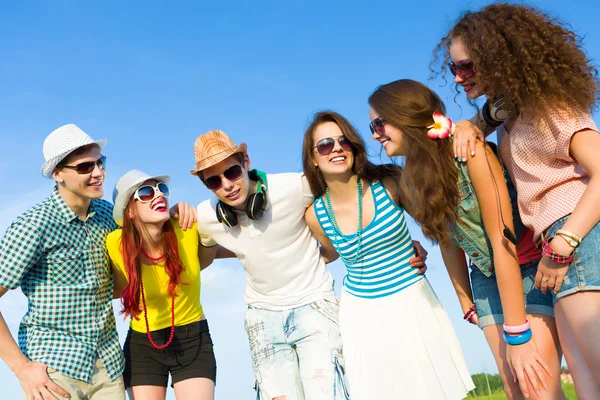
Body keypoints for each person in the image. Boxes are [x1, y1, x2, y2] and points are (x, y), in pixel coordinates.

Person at [433, 4, 600, 397]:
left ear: (499, 58)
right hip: (558, 245)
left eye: (468, 67)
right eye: (455, 68)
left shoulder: (550, 108)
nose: (458, 78)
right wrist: (473, 125)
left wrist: (564, 243)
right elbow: (497, 111)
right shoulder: (514, 114)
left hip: (575, 237)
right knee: (587, 382)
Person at [190, 129, 427, 399]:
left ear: (246, 162)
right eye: (213, 182)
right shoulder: (207, 217)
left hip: (314, 305)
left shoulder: (294, 186)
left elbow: (350, 193)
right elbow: (203, 257)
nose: (227, 185)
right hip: (262, 317)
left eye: (231, 172)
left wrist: (400, 244)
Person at [368, 80, 565, 400]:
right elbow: (447, 240)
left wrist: (516, 334)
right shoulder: (410, 184)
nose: (375, 134)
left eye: (380, 123)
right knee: (516, 391)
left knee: (538, 388)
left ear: (406, 115)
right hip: (485, 279)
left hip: (529, 267)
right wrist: (465, 301)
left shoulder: (469, 150)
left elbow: (502, 240)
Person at [302, 110, 474, 400]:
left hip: (412, 300)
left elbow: (435, 225)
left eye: (343, 141)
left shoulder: (390, 183)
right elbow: (328, 254)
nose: (337, 149)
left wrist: (417, 244)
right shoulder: (315, 216)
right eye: (325, 145)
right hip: (361, 314)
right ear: (313, 159)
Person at [0, 124, 125, 400]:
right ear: (58, 174)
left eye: (100, 162)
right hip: (53, 368)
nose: (98, 173)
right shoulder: (33, 225)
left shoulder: (108, 215)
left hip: (109, 367)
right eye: (85, 167)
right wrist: (22, 368)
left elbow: (119, 284)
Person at [107, 170, 217, 400]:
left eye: (161, 189)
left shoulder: (187, 226)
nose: (158, 195)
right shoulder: (115, 244)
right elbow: (112, 286)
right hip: (143, 343)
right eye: (146, 193)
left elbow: (211, 253)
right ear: (130, 211)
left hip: (193, 338)